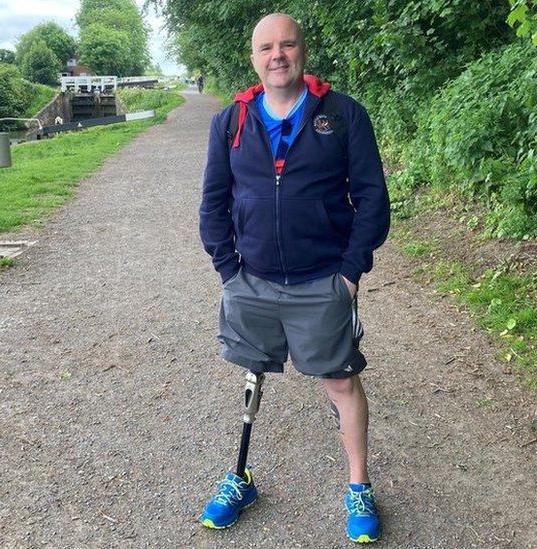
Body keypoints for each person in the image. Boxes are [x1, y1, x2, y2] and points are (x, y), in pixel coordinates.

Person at [197, 13, 390, 544]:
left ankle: (359, 486)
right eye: (266, 47)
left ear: (303, 51)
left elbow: (372, 198)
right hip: (251, 280)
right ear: (254, 58)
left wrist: (351, 273)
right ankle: (240, 477)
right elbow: (213, 203)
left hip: (323, 280)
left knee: (340, 380)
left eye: (287, 44)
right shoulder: (231, 122)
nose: (276, 55)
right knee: (252, 372)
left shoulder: (342, 114)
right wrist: (228, 271)